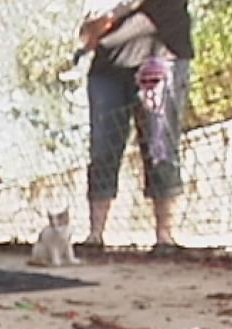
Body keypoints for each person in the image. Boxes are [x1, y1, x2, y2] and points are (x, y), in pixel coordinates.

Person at [79, 0, 194, 255]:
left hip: (161, 53)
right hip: (107, 64)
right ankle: (95, 235)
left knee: (161, 145)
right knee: (102, 150)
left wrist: (112, 12)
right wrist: (93, 26)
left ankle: (165, 236)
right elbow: (87, 28)